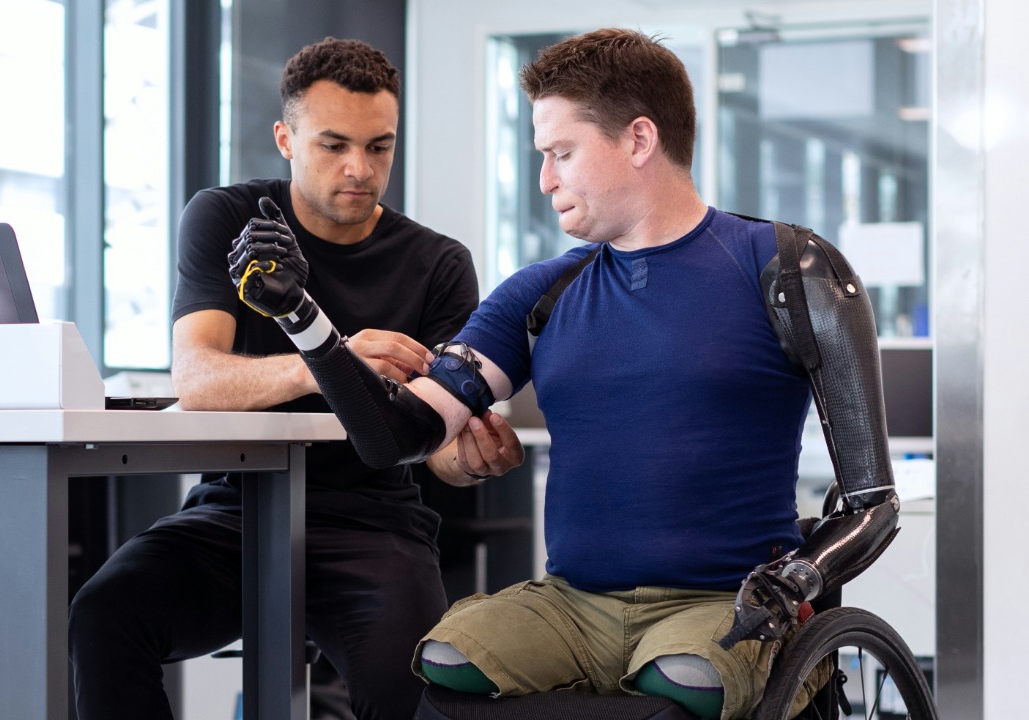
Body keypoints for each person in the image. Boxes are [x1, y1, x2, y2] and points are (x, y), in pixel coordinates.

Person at [227, 27, 900, 720]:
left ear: (639, 141)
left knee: (680, 686)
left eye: (561, 153)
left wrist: (798, 579)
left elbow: (873, 503)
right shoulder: (538, 296)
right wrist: (302, 318)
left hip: (719, 604)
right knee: (443, 664)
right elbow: (398, 435)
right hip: (574, 608)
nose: (546, 179)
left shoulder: (788, 271)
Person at [68, 37, 524, 720]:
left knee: (420, 697)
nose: (359, 169)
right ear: (285, 137)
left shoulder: (438, 263)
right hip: (236, 513)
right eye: (333, 145)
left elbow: (441, 452)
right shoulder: (230, 220)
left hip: (375, 524)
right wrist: (331, 358)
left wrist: (474, 460)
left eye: (379, 147)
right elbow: (196, 381)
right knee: (104, 617)